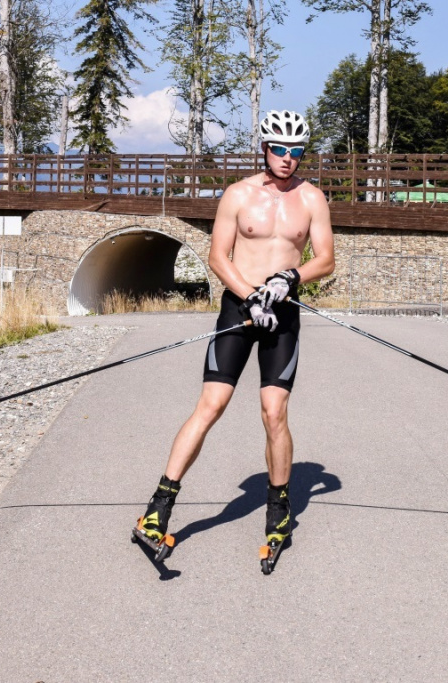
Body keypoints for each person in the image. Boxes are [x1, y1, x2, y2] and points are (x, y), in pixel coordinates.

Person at [134, 110, 335, 564]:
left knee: (274, 412)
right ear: (264, 147)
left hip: (282, 314)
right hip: (240, 310)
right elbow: (217, 256)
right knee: (212, 404)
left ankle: (279, 511)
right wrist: (250, 296)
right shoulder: (238, 194)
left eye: (297, 151)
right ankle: (157, 510)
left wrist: (289, 276)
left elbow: (325, 259)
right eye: (280, 149)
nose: (288, 158)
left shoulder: (312, 199)